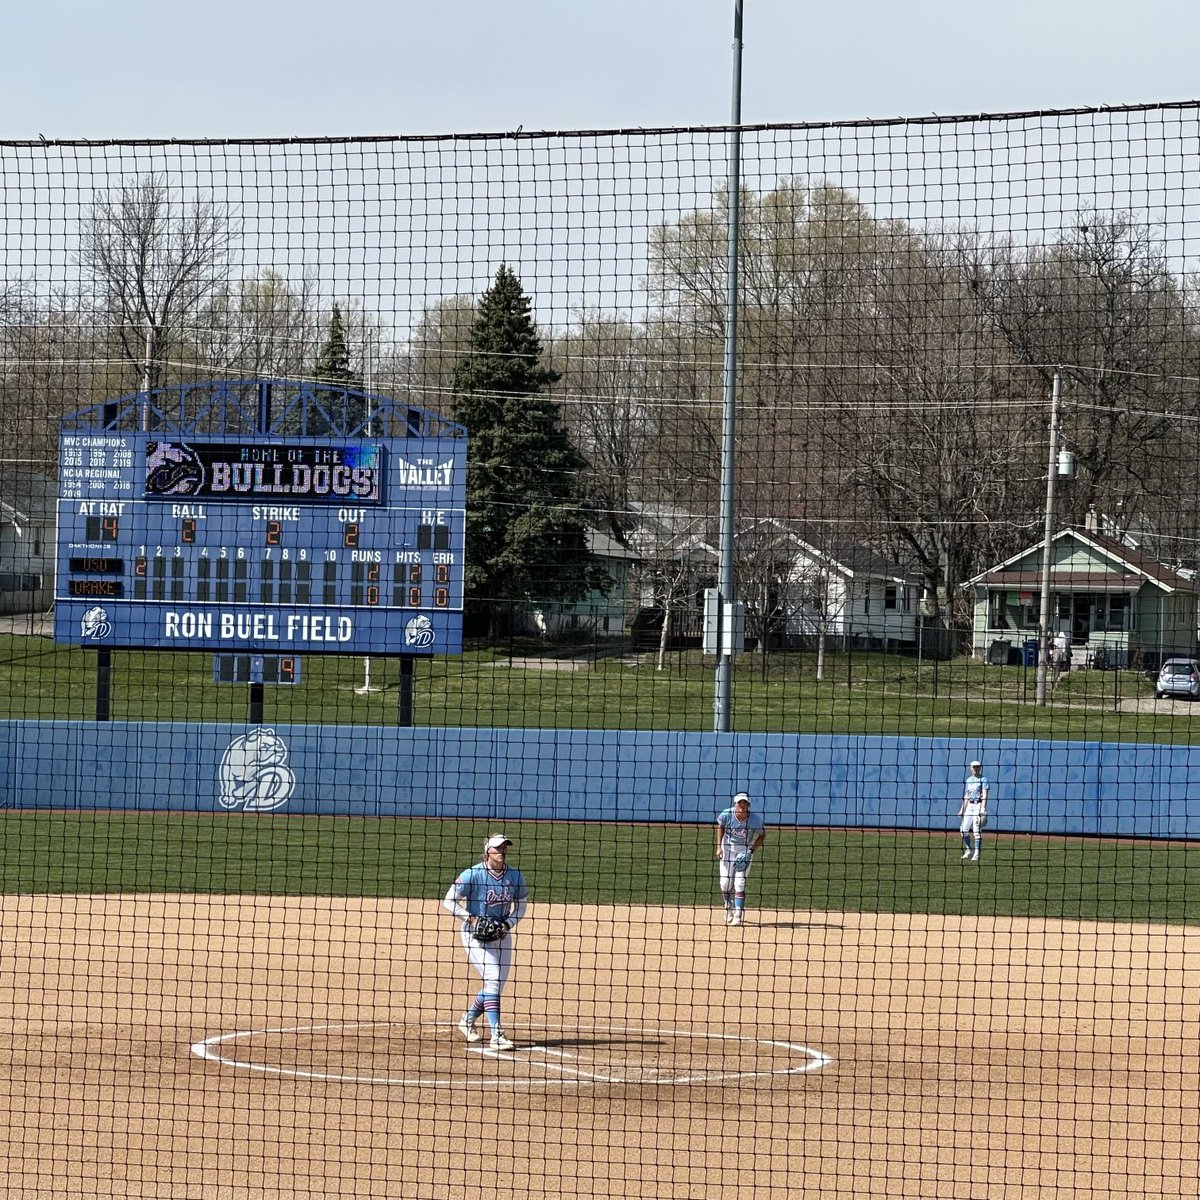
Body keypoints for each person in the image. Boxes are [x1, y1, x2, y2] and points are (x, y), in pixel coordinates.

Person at [442, 833, 528, 1051]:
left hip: (501, 934)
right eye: (498, 848)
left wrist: (507, 924)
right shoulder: (472, 874)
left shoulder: (515, 876)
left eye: (504, 848)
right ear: (488, 852)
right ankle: (496, 1034)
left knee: (495, 985)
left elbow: (521, 907)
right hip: (474, 935)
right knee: (493, 978)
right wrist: (472, 919)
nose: (502, 852)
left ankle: (467, 1020)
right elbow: (449, 901)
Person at [715, 791, 767, 926]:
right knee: (725, 884)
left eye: (745, 803)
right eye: (740, 803)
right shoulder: (727, 814)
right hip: (727, 849)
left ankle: (738, 914)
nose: (742, 805)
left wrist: (751, 851)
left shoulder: (755, 819)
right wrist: (719, 847)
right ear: (735, 803)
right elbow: (720, 826)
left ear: (748, 804)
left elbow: (762, 835)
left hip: (744, 851)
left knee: (739, 883)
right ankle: (728, 906)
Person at [957, 760, 990, 861]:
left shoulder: (983, 779)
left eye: (977, 767)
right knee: (963, 830)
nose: (976, 768)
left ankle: (976, 853)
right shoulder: (968, 780)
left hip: (978, 805)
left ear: (980, 768)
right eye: (974, 767)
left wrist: (983, 809)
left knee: (976, 831)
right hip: (969, 806)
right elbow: (967, 796)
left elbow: (985, 795)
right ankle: (968, 850)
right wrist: (962, 809)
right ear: (971, 768)